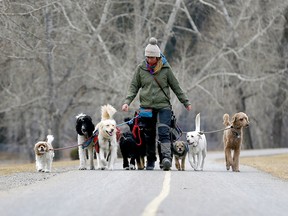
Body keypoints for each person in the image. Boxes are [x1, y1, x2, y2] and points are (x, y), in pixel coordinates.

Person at [122, 37, 192, 171]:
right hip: (146, 108)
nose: (148, 60)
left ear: (157, 57)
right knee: (149, 135)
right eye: (147, 57)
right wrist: (127, 102)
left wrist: (185, 102)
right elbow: (133, 87)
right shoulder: (141, 69)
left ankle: (166, 159)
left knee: (164, 132)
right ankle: (151, 161)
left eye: (151, 57)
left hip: (163, 107)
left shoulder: (166, 69)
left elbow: (176, 86)